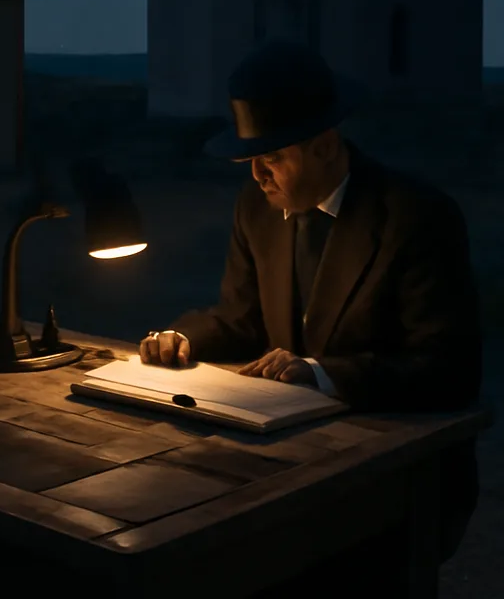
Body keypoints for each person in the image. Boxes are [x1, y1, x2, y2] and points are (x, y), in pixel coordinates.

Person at [140, 39, 482, 595]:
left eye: (272, 158)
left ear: (326, 146)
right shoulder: (257, 208)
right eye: (250, 158)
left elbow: (451, 369)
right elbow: (241, 318)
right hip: (289, 465)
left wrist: (322, 374)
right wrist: (180, 336)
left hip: (397, 476)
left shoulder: (416, 217)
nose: (257, 176)